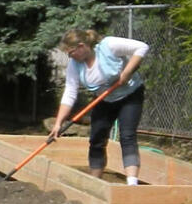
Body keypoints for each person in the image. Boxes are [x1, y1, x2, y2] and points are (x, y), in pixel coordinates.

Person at [50, 28, 149, 185]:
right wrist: (58, 123)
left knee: (127, 135)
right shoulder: (75, 65)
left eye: (71, 52)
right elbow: (69, 93)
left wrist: (127, 72)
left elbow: (142, 47)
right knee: (97, 137)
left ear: (81, 46)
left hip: (130, 95)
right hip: (104, 99)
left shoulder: (108, 45)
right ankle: (94, 182)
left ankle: (132, 183)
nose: (70, 57)